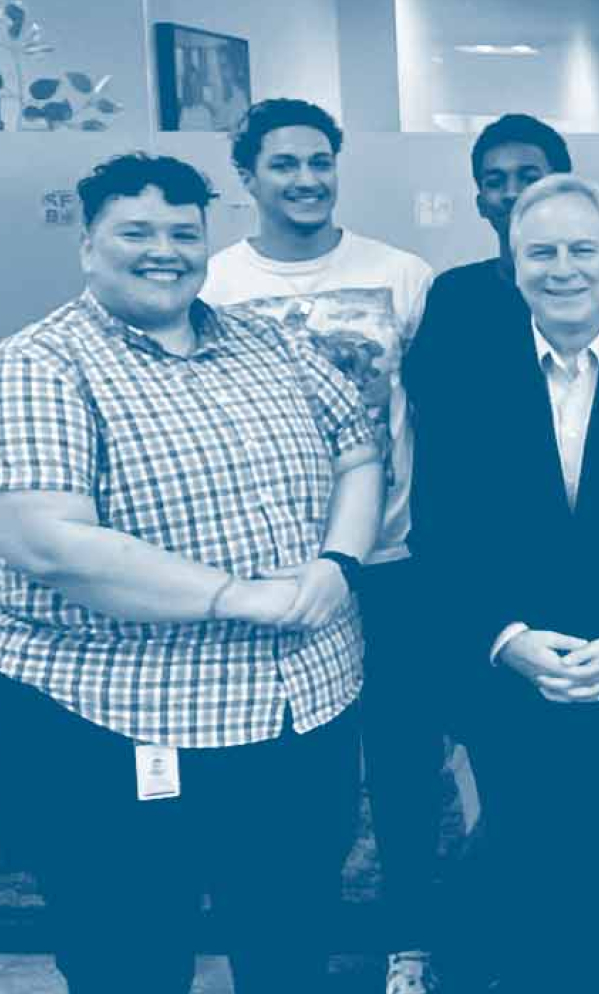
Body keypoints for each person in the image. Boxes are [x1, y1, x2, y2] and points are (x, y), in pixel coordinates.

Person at [0, 152, 380, 993]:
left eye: (184, 231)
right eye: (135, 231)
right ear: (87, 244)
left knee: (291, 936)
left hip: (298, 707)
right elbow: (45, 541)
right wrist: (231, 598)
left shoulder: (267, 343)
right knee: (129, 953)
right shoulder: (36, 365)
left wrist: (339, 561)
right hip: (114, 719)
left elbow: (359, 451)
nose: (164, 250)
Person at [411, 174, 599, 994]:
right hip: (515, 681)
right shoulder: (458, 379)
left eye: (583, 249)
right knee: (531, 873)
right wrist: (507, 642)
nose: (563, 268)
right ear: (512, 269)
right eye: (540, 252)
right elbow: (438, 535)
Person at [201, 98, 441, 994]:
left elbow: (440, 415)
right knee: (300, 783)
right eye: (283, 165)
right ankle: (295, 945)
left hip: (395, 563)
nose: (305, 180)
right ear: (248, 178)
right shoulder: (214, 282)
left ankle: (410, 941)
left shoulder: (402, 274)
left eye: (318, 161)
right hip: (271, 576)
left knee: (407, 764)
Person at [409, 112, 571, 389]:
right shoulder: (455, 295)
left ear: (565, 193)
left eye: (529, 178)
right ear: (481, 204)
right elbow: (429, 403)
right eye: (495, 182)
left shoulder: (594, 291)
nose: (511, 193)